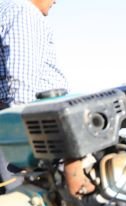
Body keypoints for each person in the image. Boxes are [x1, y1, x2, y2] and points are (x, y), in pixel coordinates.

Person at [0, 0, 68, 194]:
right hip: (24, 131)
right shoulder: (23, 11)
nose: (56, 1)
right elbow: (21, 86)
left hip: (10, 129)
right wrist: (26, 149)